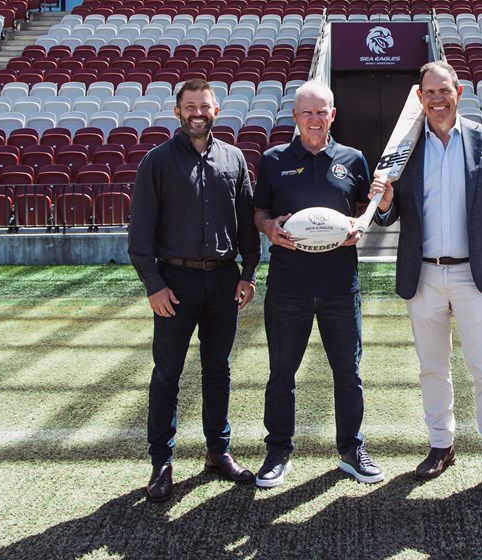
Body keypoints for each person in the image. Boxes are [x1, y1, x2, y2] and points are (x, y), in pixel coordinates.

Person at [370, 61, 482, 501]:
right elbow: (391, 215)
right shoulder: (405, 147)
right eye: (429, 93)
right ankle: (441, 444)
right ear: (419, 98)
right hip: (425, 275)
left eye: (444, 90)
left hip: (477, 275)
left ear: (459, 91)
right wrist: (385, 202)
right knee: (432, 367)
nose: (437, 99)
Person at [128, 79, 261, 502]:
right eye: (189, 106)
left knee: (218, 369)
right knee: (167, 374)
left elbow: (245, 225)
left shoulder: (234, 159)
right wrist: (154, 285)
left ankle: (217, 452)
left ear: (217, 110)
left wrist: (249, 273)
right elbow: (140, 234)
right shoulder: (157, 161)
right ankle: (161, 463)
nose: (197, 112)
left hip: (223, 280)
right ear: (178, 112)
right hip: (175, 284)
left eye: (204, 105)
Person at [253, 80, 383, 488]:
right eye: (306, 112)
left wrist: (358, 228)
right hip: (288, 286)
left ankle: (350, 448)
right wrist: (269, 228)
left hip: (340, 287)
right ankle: (278, 450)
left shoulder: (354, 159)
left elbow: (366, 211)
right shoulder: (273, 159)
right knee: (281, 373)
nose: (314, 119)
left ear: (333, 115)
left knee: (348, 372)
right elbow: (259, 212)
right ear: (294, 116)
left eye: (321, 111)